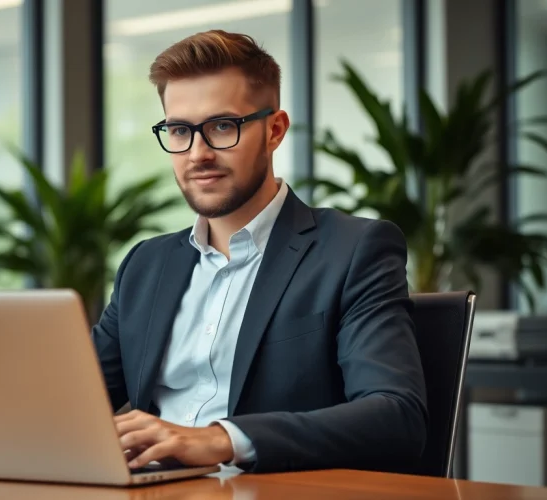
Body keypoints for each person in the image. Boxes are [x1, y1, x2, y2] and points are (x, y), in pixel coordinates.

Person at [91, 29, 428, 474]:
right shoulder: (145, 265)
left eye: (222, 126)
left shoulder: (353, 251)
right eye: (179, 130)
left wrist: (220, 439)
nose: (198, 153)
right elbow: (71, 402)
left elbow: (397, 416)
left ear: (274, 130)